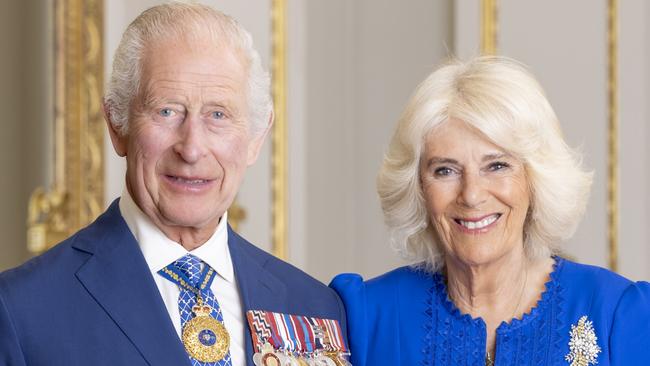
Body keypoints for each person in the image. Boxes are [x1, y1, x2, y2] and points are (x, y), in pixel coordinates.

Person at [0, 4, 348, 366]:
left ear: (257, 137)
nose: (192, 147)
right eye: (167, 111)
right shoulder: (21, 311)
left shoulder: (315, 307)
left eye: (218, 114)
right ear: (117, 125)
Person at [330, 56, 650, 365]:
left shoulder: (616, 314)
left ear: (534, 179)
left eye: (497, 165)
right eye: (445, 170)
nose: (471, 195)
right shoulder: (366, 317)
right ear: (418, 188)